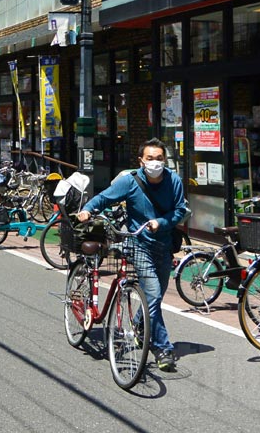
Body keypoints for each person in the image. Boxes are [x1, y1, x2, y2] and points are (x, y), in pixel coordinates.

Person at [78, 138, 186, 372]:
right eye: (150, 158)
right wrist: (87, 210)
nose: (155, 163)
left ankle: (139, 325)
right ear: (141, 160)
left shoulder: (174, 180)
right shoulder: (130, 181)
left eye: (159, 158)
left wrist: (162, 222)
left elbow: (180, 211)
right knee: (154, 294)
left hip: (164, 246)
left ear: (165, 160)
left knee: (152, 298)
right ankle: (163, 348)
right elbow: (104, 197)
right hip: (138, 245)